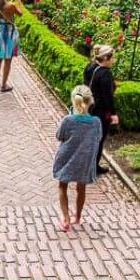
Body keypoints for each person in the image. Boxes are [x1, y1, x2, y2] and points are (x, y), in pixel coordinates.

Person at [52, 85, 102, 232]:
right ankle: (78, 217)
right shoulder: (96, 122)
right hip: (84, 160)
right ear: (90, 100)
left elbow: (59, 136)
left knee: (63, 186)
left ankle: (66, 219)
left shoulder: (68, 120)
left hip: (66, 157)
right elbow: (98, 138)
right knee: (81, 188)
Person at [84, 45, 119, 175]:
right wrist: (113, 114)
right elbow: (107, 98)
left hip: (88, 107)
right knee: (99, 138)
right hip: (99, 111)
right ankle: (94, 166)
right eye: (112, 58)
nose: (113, 60)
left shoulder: (90, 67)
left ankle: (85, 161)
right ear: (106, 58)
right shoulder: (105, 74)